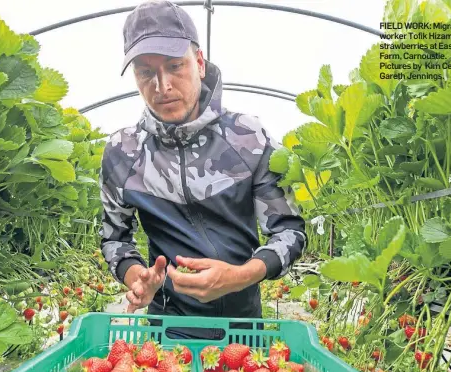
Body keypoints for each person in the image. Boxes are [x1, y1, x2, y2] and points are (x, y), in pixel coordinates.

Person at [98, 0, 306, 339]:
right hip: (166, 332)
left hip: (242, 331)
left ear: (199, 63)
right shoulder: (124, 151)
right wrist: (138, 277)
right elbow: (114, 239)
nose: (161, 86)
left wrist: (239, 276)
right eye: (145, 72)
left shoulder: (247, 138)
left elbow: (289, 232)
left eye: (175, 66)